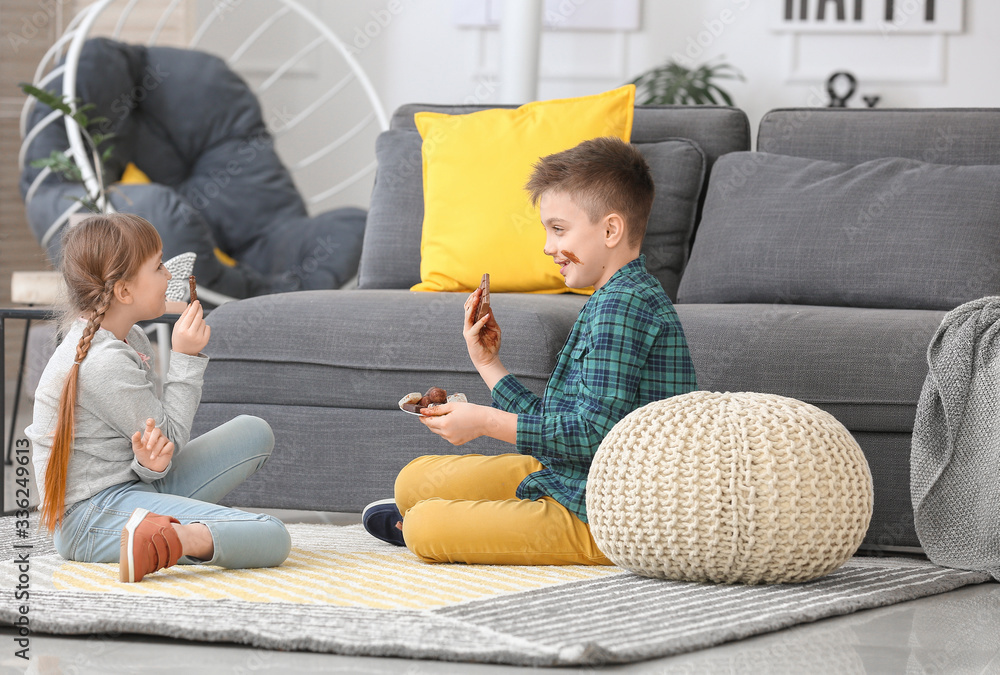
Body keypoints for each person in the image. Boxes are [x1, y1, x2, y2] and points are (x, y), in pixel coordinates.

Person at [362, 137, 698, 565]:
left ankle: (428, 526)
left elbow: (590, 436)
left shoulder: (623, 306)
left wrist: (484, 421)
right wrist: (487, 362)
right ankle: (436, 519)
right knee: (413, 481)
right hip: (572, 476)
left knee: (428, 525)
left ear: (611, 230)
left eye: (558, 229)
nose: (547, 246)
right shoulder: (610, 296)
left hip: (605, 515)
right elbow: (561, 427)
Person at [27, 213, 290, 582]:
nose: (169, 274)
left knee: (254, 431)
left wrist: (147, 467)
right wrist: (185, 357)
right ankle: (176, 537)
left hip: (128, 485)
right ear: (124, 291)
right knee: (271, 534)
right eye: (159, 266)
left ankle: (160, 524)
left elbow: (153, 449)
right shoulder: (103, 363)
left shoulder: (125, 335)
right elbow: (172, 437)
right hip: (89, 520)